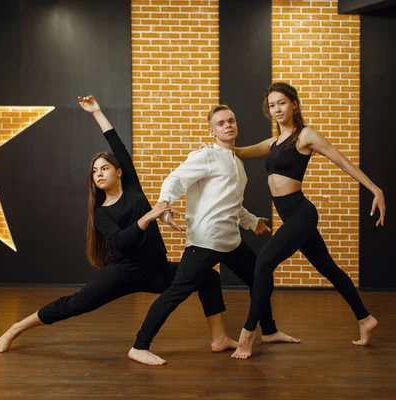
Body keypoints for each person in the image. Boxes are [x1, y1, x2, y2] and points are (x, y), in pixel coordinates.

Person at [0, 96, 234, 362]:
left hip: (157, 269)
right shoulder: (102, 213)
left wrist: (97, 112)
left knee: (209, 278)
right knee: (74, 305)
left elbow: (116, 143)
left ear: (119, 172)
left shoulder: (132, 188)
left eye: (105, 168)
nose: (99, 174)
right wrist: (150, 216)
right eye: (95, 171)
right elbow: (122, 242)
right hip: (123, 273)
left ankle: (219, 338)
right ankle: (16, 328)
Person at [128, 104, 299, 366]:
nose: (227, 125)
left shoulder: (237, 163)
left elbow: (232, 204)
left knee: (260, 278)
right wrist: (164, 208)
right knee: (176, 293)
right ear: (212, 130)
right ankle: (139, 346)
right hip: (205, 240)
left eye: (231, 121)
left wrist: (252, 222)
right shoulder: (205, 156)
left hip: (230, 241)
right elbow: (174, 180)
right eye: (220, 123)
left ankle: (269, 331)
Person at [230, 82, 385, 359]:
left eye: (282, 103)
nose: (277, 109)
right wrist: (220, 143)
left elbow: (343, 162)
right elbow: (240, 151)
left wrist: (375, 189)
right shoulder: (274, 142)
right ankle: (365, 318)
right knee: (329, 268)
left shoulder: (305, 136)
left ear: (294, 104)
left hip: (301, 214)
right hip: (291, 215)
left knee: (263, 262)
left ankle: (248, 335)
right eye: (273, 105)